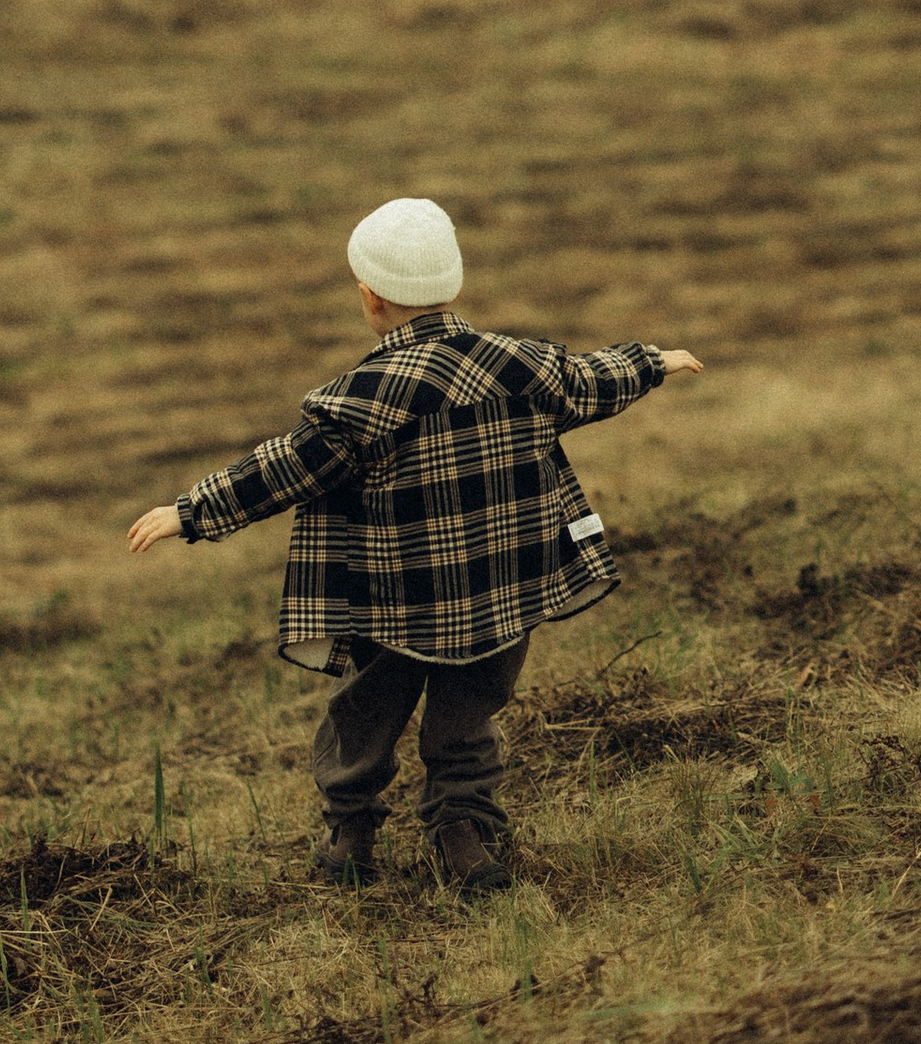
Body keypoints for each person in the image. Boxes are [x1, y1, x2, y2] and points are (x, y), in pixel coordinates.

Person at [126, 196, 702, 896]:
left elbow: (282, 468)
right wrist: (653, 361)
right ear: (455, 286)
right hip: (500, 593)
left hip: (394, 607)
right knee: (469, 716)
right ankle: (463, 831)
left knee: (363, 713)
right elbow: (593, 377)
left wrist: (191, 512)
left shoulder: (361, 397)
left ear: (370, 298)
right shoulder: (526, 364)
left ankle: (352, 832)